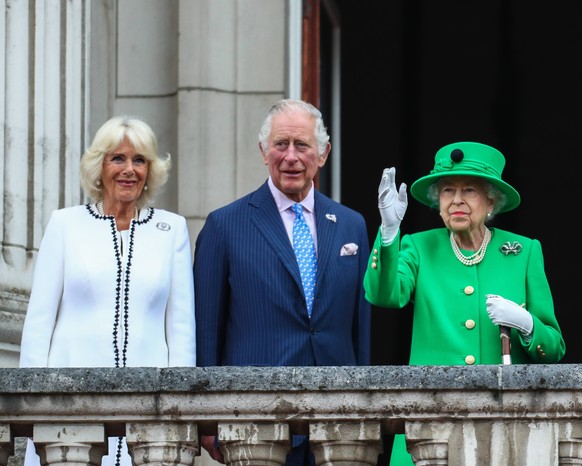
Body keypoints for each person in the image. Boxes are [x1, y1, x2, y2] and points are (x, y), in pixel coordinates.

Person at [364, 141, 566, 465]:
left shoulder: (524, 252)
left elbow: (554, 348)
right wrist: (389, 233)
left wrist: (527, 325)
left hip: (502, 424)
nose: (456, 201)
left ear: (490, 201)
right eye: (447, 191)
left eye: (469, 190)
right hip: (430, 421)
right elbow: (384, 295)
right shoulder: (418, 246)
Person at [194, 98, 371, 465]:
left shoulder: (352, 224)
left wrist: (364, 404)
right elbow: (207, 330)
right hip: (256, 417)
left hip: (337, 417)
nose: (291, 156)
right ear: (263, 151)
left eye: (302, 145)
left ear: (322, 154)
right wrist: (207, 417)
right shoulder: (224, 225)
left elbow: (361, 327)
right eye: (280, 144)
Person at [19, 115, 196, 466]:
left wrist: (182, 410)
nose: (128, 169)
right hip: (67, 407)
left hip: (149, 412)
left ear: (150, 170)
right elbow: (39, 323)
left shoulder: (171, 230)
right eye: (118, 158)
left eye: (139, 160)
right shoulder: (65, 225)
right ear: (99, 167)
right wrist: (29, 407)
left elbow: (181, 329)